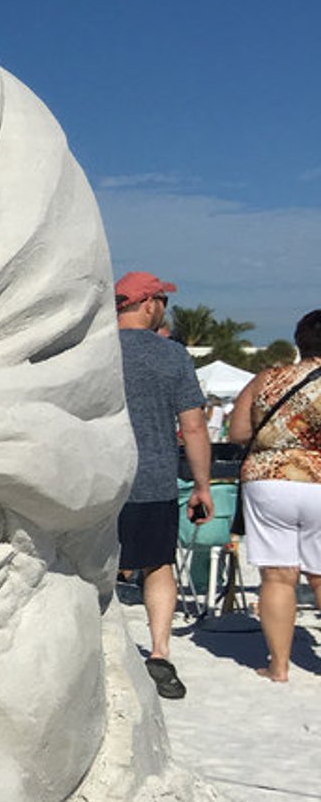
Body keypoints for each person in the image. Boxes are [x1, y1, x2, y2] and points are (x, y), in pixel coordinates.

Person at [113, 270, 213, 699]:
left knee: (92, 566)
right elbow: (192, 427)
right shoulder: (171, 356)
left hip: (97, 479)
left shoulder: (89, 351)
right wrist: (203, 486)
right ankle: (158, 651)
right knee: (157, 565)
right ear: (150, 303)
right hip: (152, 479)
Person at [227, 308, 321, 681]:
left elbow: (236, 433)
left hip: (267, 480)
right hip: (318, 480)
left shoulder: (266, 378)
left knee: (278, 576)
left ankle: (278, 667)